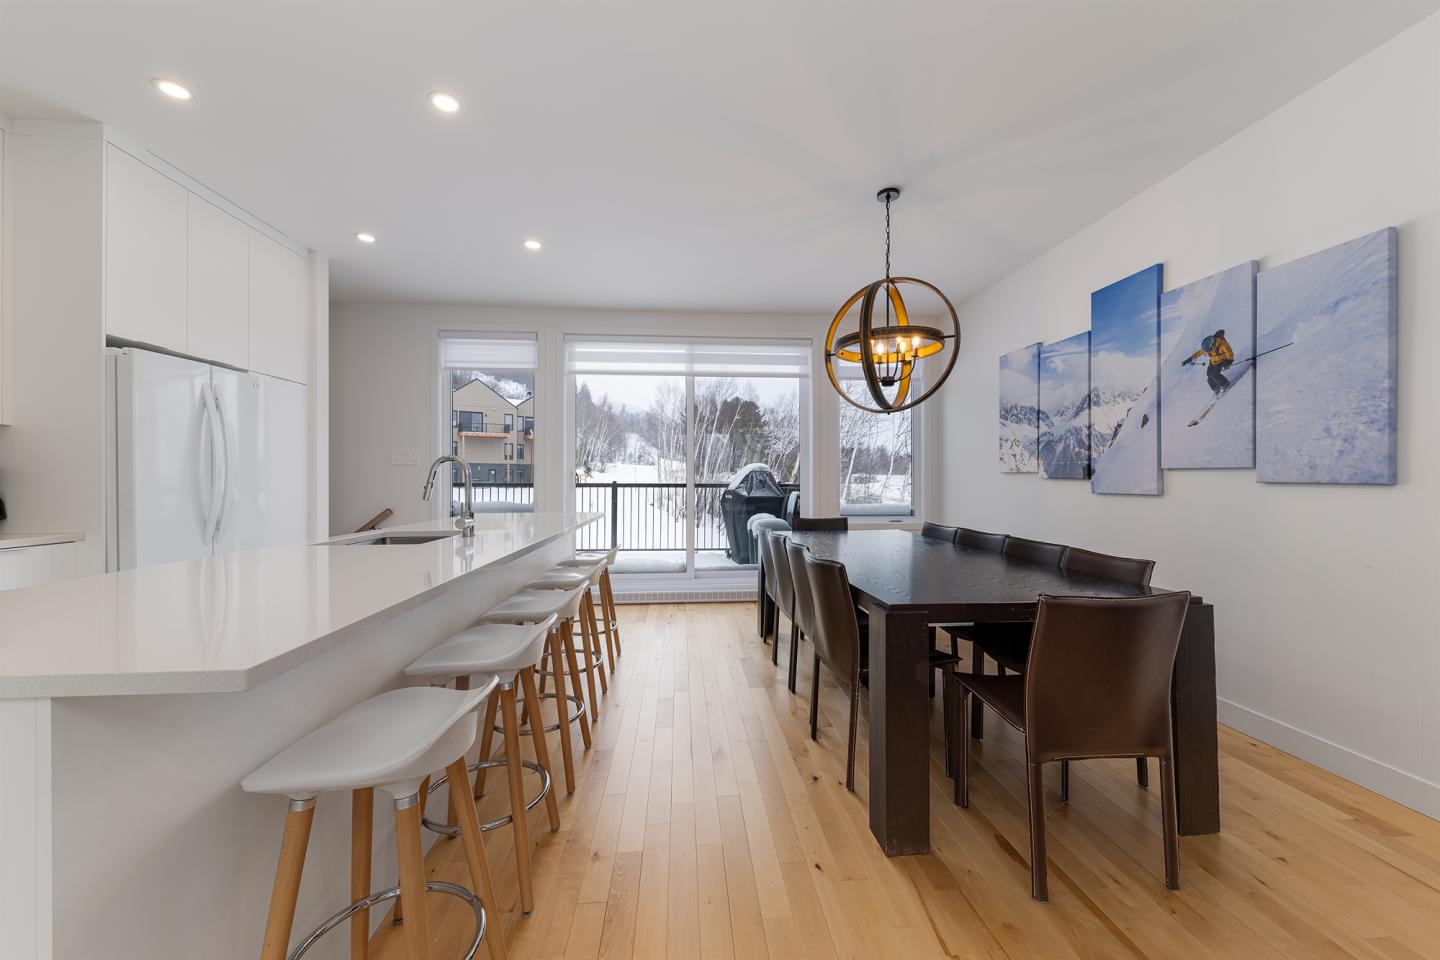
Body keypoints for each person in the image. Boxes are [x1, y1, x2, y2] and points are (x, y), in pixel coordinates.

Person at [1183, 328, 1235, 394]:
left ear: (1213, 345)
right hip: (1213, 362)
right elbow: (1198, 353)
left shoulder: (1222, 345)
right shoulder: (1207, 347)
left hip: (1222, 361)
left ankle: (1225, 384)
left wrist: (1229, 360)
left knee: (1215, 375)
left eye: (1209, 350)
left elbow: (1230, 353)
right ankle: (1217, 389)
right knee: (1209, 379)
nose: (1208, 352)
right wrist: (1189, 359)